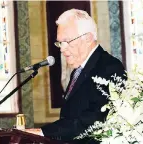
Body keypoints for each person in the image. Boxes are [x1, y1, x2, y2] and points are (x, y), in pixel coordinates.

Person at [25, 9, 126, 143]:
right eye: (60, 43)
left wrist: (44, 132)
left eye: (67, 41)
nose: (62, 49)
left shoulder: (109, 67)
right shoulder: (78, 70)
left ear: (88, 38)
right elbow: (72, 117)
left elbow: (95, 120)